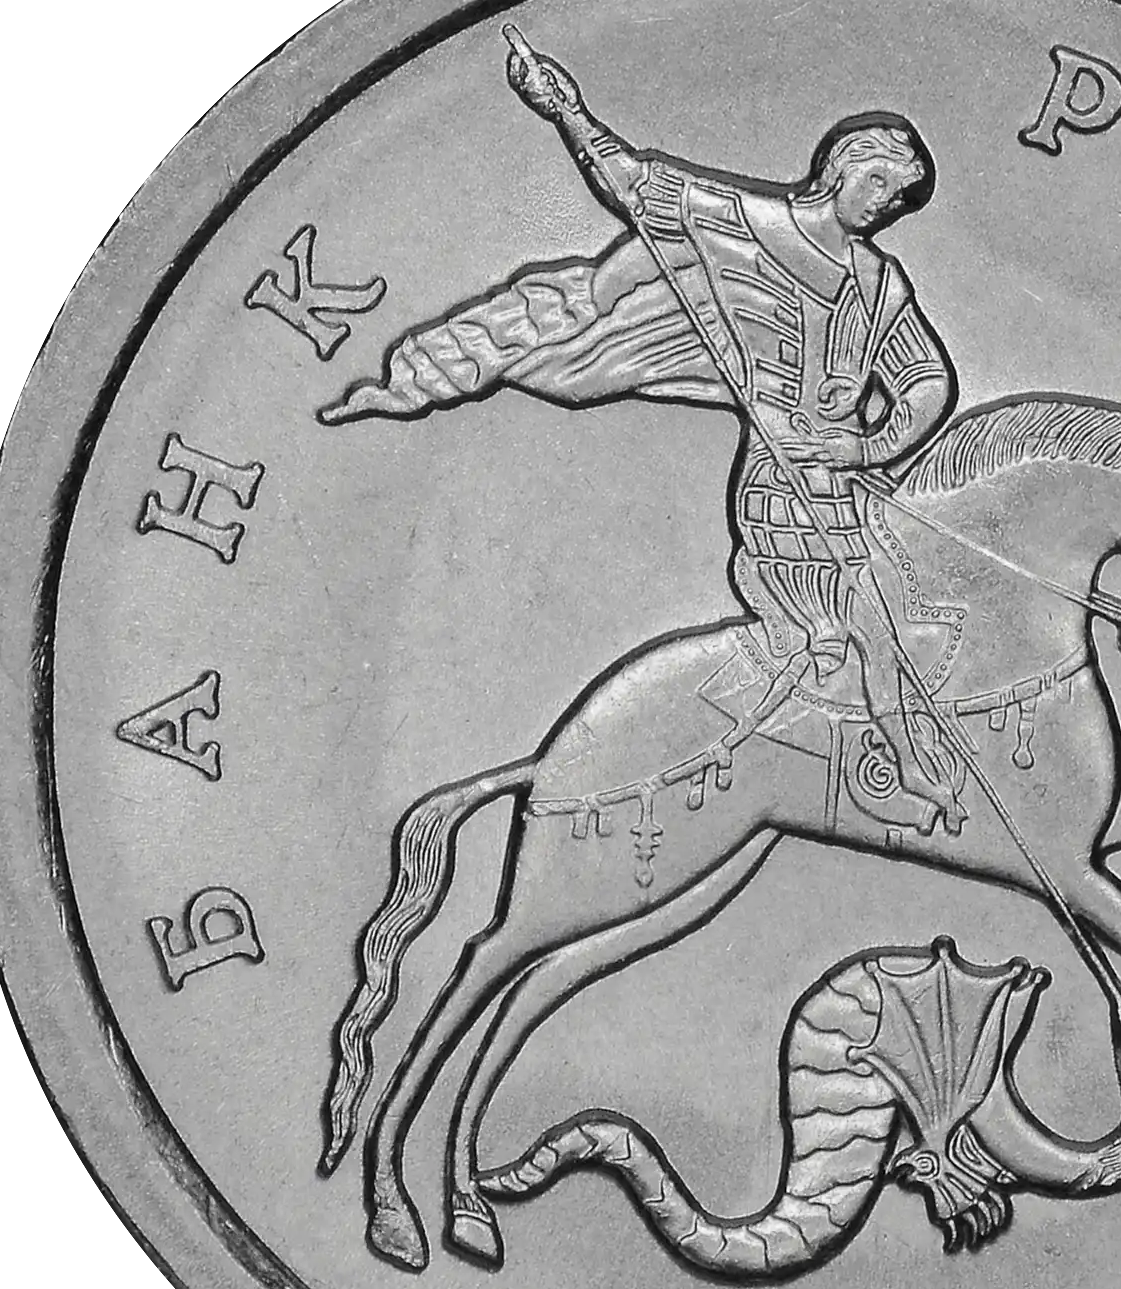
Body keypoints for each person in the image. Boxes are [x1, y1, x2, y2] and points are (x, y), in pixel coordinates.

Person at [322, 44, 965, 833]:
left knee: (924, 599)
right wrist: (565, 109)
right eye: (880, 184)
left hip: (852, 481)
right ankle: (887, 767)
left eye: (898, 199)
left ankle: (866, 748)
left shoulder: (877, 283)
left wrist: (868, 446)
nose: (885, 206)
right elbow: (633, 184)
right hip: (781, 484)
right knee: (868, 620)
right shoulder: (745, 226)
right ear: (841, 167)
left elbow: (927, 380)